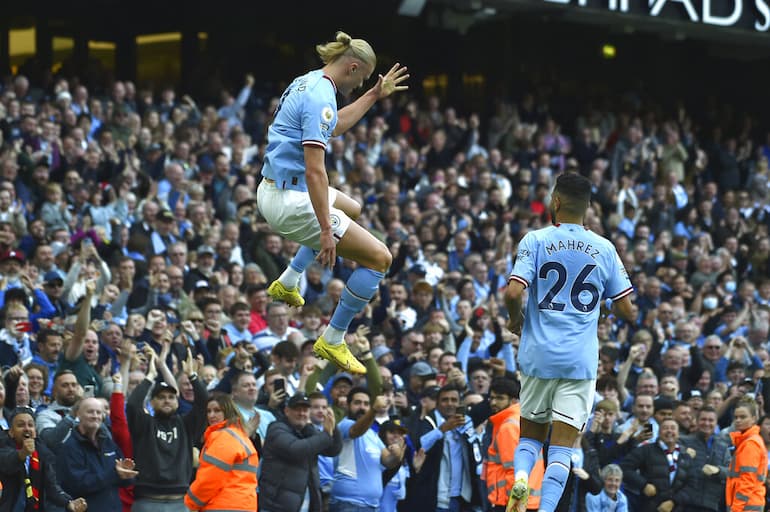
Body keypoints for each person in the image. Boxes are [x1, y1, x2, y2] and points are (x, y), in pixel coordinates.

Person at [257, 31, 408, 375]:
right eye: (363, 79)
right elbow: (315, 172)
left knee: (352, 208)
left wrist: (373, 94)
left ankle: (291, 278)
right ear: (352, 67)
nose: (359, 85)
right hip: (291, 198)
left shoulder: (309, 81)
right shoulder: (320, 98)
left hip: (274, 187)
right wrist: (326, 230)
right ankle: (334, 337)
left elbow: (335, 125)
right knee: (380, 258)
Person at [504, 172, 634, 512]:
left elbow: (514, 291)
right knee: (562, 447)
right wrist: (603, 307)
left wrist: (516, 318)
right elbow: (628, 310)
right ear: (588, 208)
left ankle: (520, 478)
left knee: (531, 436)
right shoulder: (605, 248)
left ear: (555, 201)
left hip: (537, 355)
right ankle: (545, 509)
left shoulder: (536, 239)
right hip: (579, 361)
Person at [259, 392, 342, 512]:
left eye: (305, 410)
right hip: (276, 506)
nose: (302, 413)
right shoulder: (276, 428)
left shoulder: (307, 431)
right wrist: (325, 435)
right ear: (287, 411)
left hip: (305, 505)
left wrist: (333, 428)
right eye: (297, 409)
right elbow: (296, 450)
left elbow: (332, 450)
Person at [0, 406, 88, 512]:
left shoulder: (42, 452)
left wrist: (69, 503)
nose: (27, 428)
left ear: (35, 431)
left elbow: (52, 487)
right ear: (11, 432)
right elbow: (7, 463)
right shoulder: (3, 445)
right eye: (20, 425)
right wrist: (23, 453)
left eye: (31, 425)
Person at [56, 397, 136, 511]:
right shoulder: (70, 446)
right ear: (78, 414)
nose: (95, 416)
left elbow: (122, 481)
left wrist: (127, 476)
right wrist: (114, 474)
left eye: (98, 412)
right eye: (90, 412)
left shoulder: (108, 443)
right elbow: (79, 485)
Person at [185, 395, 259, 512]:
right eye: (208, 411)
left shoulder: (223, 437)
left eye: (217, 410)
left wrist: (189, 503)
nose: (211, 415)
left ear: (228, 411)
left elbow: (209, 479)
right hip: (245, 505)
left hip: (223, 505)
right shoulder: (240, 436)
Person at [726, 397, 767, 512]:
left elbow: (747, 480)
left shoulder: (750, 444)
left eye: (743, 417)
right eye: (736, 417)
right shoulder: (747, 441)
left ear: (754, 419)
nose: (738, 420)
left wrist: (736, 508)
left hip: (746, 507)